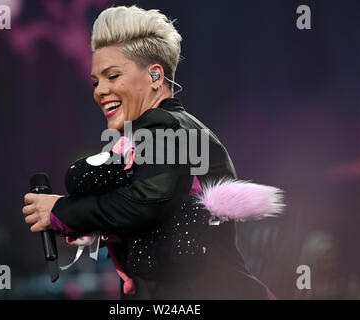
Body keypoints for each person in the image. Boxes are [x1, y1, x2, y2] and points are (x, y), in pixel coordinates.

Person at [22, 5, 275, 299]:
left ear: (155, 76)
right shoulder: (155, 133)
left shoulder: (164, 126)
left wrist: (61, 211)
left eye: (112, 76)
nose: (99, 90)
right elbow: (154, 216)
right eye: (95, 81)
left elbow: (144, 204)